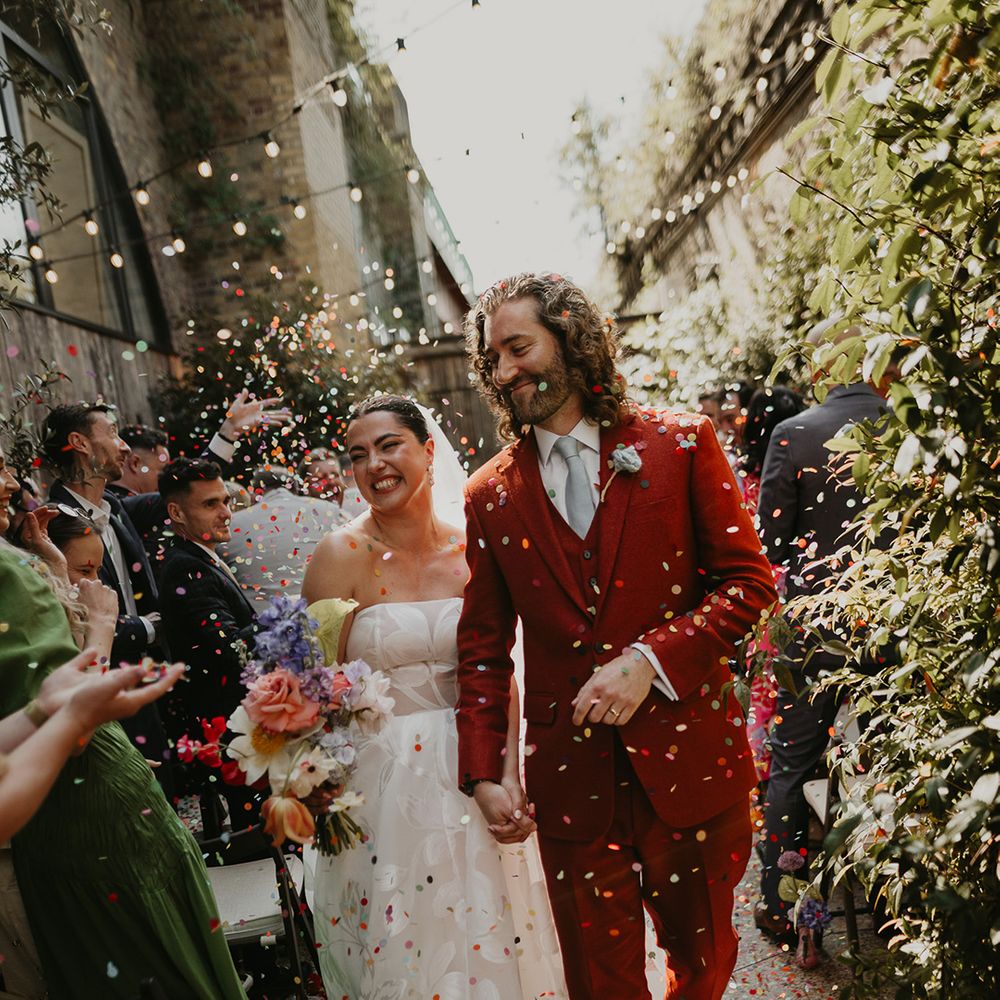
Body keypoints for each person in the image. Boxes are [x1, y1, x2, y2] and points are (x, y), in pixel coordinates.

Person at [457, 273, 778, 1000]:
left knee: (703, 968)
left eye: (518, 348)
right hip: (571, 781)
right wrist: (484, 769)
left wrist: (649, 662)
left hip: (689, 760)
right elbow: (479, 646)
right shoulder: (489, 496)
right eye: (493, 359)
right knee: (598, 986)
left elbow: (749, 584)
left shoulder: (682, 444)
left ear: (572, 338)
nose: (505, 372)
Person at [301, 395, 565, 1000]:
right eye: (358, 455)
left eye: (389, 445)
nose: (374, 465)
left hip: (480, 767)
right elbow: (313, 688)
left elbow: (503, 672)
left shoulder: (474, 544)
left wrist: (511, 774)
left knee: (505, 926)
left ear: (427, 449)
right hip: (383, 790)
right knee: (410, 944)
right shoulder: (338, 557)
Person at [0, 442, 247, 1000]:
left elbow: (48, 701)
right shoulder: (9, 577)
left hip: (88, 795)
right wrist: (104, 625)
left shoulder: (27, 567)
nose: (11, 481)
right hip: (92, 801)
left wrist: (57, 570)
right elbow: (74, 713)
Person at [754, 328, 891, 943]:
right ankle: (900, 903)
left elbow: (773, 548)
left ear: (820, 371)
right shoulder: (910, 430)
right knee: (894, 759)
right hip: (898, 628)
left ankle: (785, 910)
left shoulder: (794, 434)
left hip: (812, 632)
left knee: (792, 763)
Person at [156, 457, 258, 825]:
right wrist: (284, 624)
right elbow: (229, 650)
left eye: (226, 501)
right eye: (210, 504)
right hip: (229, 727)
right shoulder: (187, 566)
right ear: (176, 512)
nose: (226, 513)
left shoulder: (202, 558)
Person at [736, 388, 808, 795]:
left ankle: (762, 777)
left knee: (763, 687)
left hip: (758, 597)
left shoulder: (741, 482)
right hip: (794, 595)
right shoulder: (800, 470)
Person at [220, 465, 347, 607]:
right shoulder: (330, 511)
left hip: (261, 622)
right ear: (296, 490)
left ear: (256, 494)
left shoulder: (230, 525)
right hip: (323, 615)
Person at [298, 447, 367, 521]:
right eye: (320, 478)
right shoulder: (302, 524)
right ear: (306, 488)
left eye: (335, 475)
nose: (331, 482)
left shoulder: (354, 519)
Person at [108, 423, 171, 498]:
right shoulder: (136, 508)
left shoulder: (103, 501)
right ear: (135, 463)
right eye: (162, 471)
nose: (166, 481)